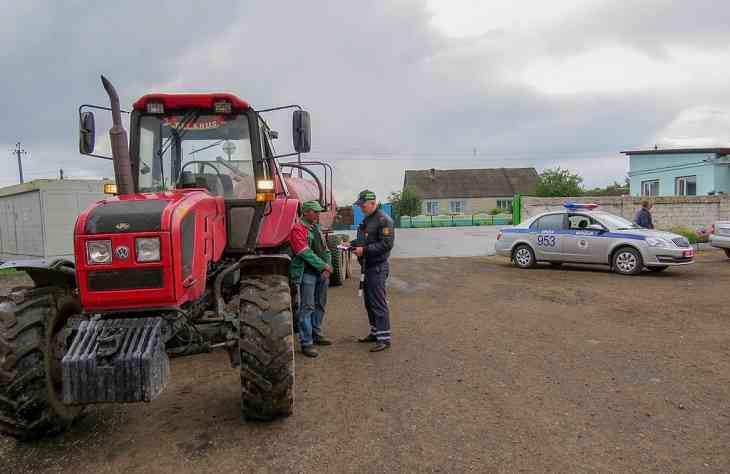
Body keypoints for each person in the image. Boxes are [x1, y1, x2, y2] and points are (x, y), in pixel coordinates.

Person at [289, 200, 333, 358]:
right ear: (306, 212)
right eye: (315, 212)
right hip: (307, 273)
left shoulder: (316, 227)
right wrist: (324, 266)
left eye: (318, 212)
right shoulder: (297, 229)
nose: (317, 215)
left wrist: (327, 266)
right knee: (307, 307)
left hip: (321, 273)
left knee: (320, 304)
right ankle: (306, 342)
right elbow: (303, 252)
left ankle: (316, 334)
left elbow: (326, 249)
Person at [353, 190, 395, 352]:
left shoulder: (384, 220)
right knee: (369, 303)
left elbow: (386, 244)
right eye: (360, 206)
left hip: (377, 267)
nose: (361, 208)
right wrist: (351, 244)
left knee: (378, 302)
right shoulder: (369, 219)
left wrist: (364, 251)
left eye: (362, 205)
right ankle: (375, 332)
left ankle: (384, 339)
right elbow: (364, 240)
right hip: (368, 266)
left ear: (372, 203)